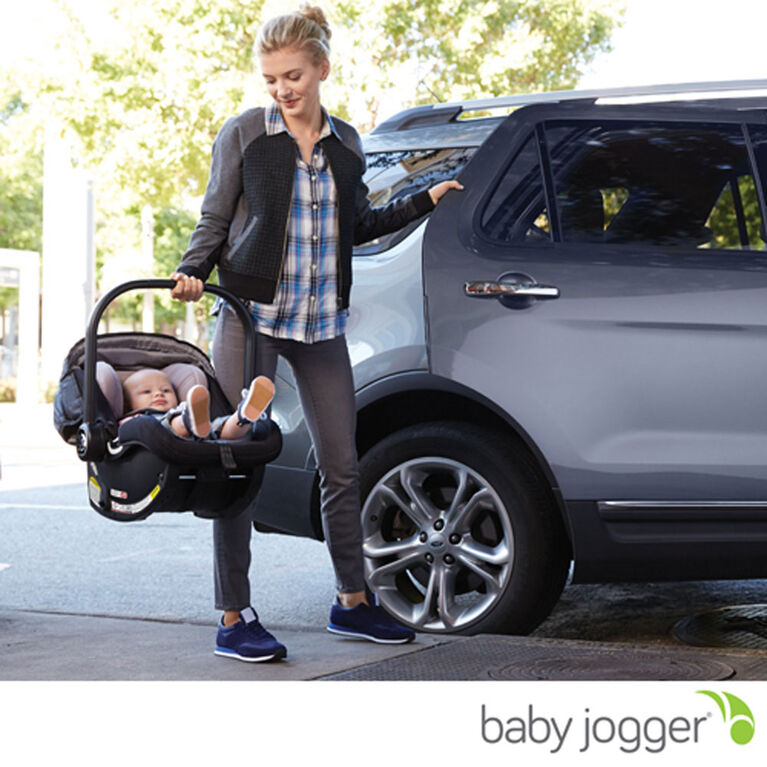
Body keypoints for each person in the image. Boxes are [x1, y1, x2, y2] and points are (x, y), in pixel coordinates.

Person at [170, 3, 463, 663]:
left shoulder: (347, 144)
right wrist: (191, 271)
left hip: (319, 323)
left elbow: (357, 224)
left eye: (293, 74)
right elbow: (213, 219)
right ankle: (234, 614)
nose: (282, 88)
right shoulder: (245, 134)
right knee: (233, 456)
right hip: (251, 318)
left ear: (321, 67)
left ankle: (351, 602)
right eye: (272, 78)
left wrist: (425, 200)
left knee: (341, 464)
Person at [121, 368, 275, 441]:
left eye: (166, 390)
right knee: (167, 422)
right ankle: (187, 421)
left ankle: (242, 417)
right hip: (161, 431)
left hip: (202, 434)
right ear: (128, 405)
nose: (158, 394)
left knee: (219, 427)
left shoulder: (176, 409)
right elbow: (122, 434)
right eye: (147, 392)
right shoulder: (135, 419)